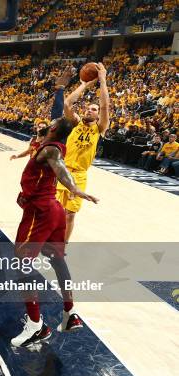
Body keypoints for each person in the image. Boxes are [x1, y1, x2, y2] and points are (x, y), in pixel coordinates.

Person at [11, 116, 98, 348]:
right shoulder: (50, 144)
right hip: (53, 209)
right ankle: (70, 313)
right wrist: (61, 88)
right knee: (58, 260)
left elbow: (60, 167)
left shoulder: (50, 148)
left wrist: (73, 188)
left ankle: (35, 325)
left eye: (53, 120)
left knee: (21, 264)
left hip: (40, 212)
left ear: (52, 128)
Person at [57, 63, 109, 243]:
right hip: (62, 171)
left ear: (98, 114)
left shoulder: (100, 128)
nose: (89, 110)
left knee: (70, 214)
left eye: (94, 109)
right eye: (88, 107)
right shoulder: (76, 122)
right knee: (54, 211)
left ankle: (62, 246)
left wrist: (102, 81)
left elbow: (105, 106)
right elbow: (67, 103)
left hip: (79, 175)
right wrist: (85, 84)